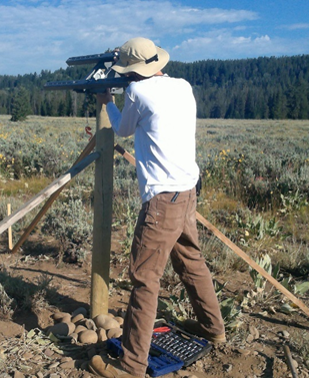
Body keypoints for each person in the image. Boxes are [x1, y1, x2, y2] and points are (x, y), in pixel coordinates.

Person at [89, 38, 225, 378]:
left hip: (162, 200)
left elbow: (121, 128)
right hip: (186, 191)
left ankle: (131, 365)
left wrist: (107, 99)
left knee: (145, 279)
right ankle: (214, 328)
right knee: (191, 262)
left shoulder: (138, 93)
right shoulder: (182, 86)